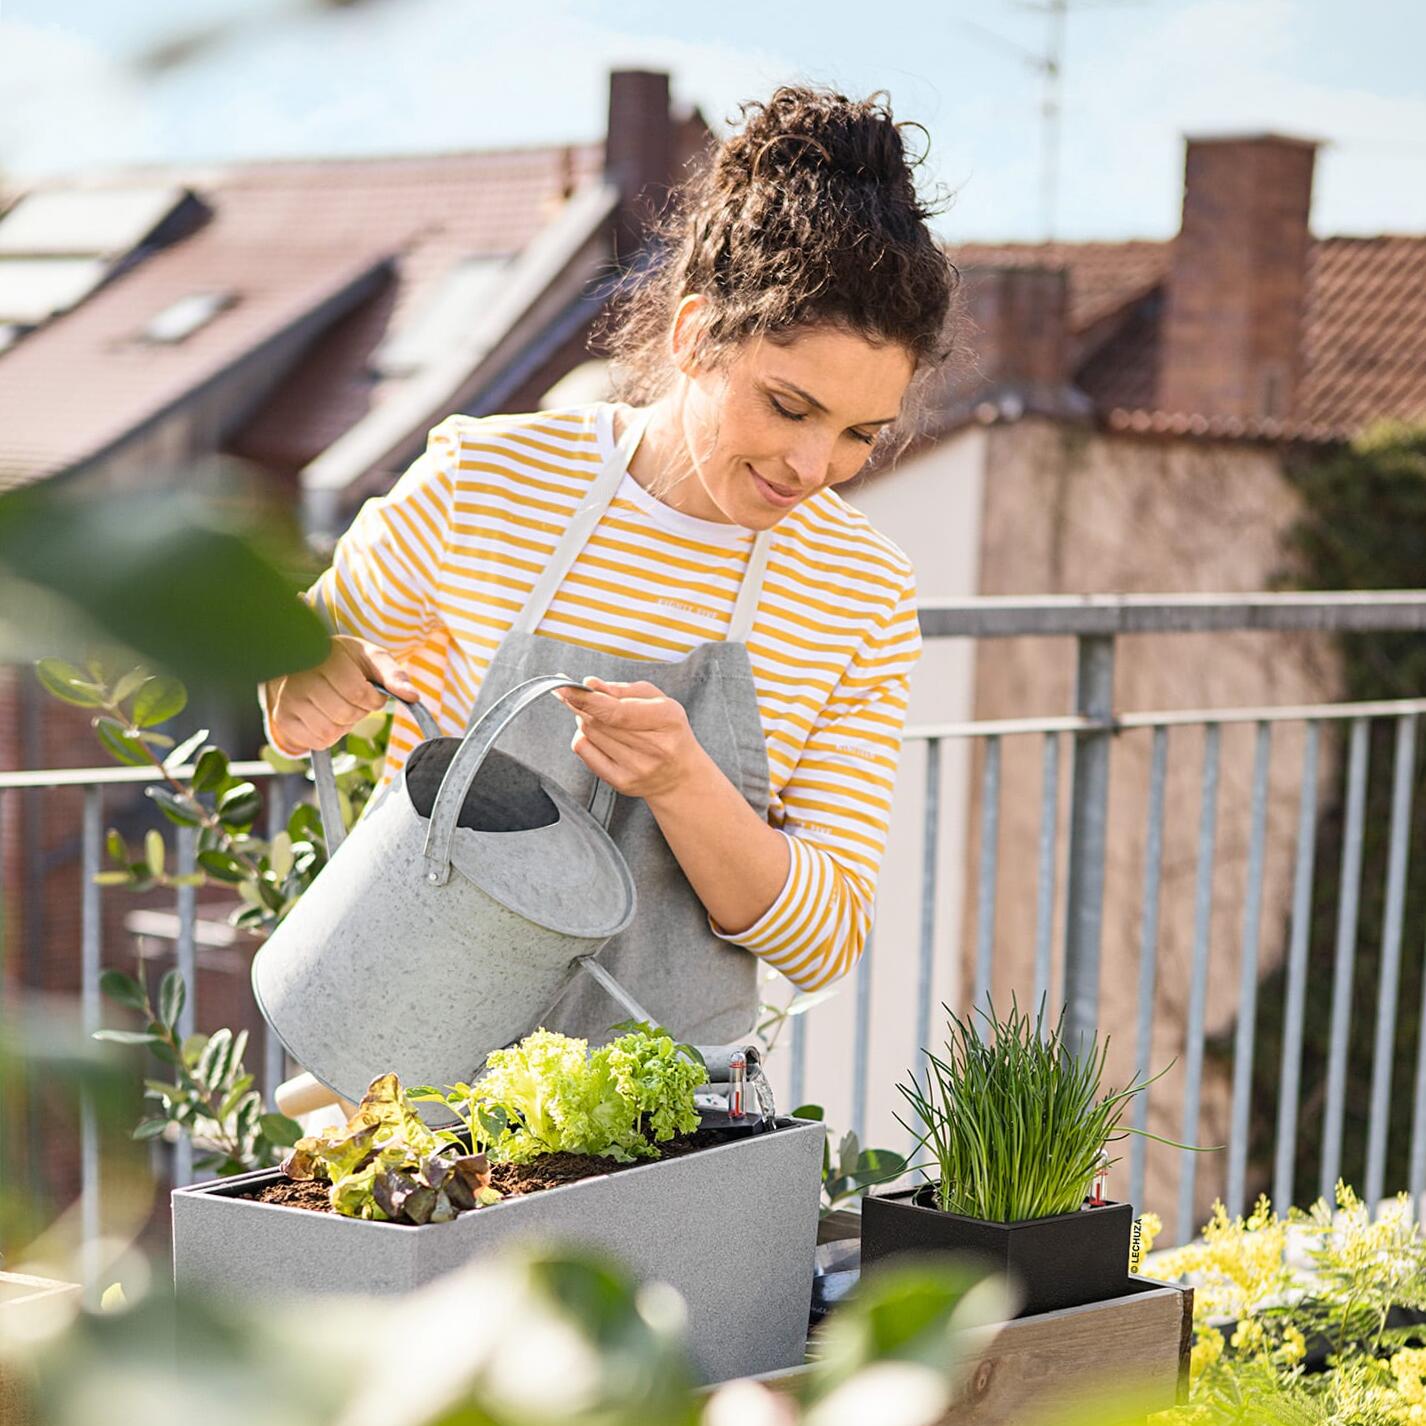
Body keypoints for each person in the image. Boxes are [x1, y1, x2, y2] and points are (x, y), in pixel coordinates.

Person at [261, 85, 958, 1048]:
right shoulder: (486, 479)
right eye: (789, 407)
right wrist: (308, 671)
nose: (811, 467)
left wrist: (683, 782)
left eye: (859, 435)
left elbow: (827, 938)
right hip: (409, 1070)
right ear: (694, 335)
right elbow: (296, 706)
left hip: (668, 1117)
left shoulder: (859, 590)